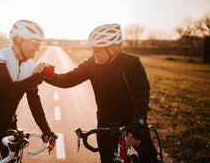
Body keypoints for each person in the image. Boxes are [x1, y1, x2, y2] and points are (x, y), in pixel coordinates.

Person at [42, 23, 159, 162]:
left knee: (149, 158)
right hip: (106, 121)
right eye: (92, 48)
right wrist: (44, 74)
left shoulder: (132, 63)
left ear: (113, 48)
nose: (93, 53)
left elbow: (142, 96)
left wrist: (138, 122)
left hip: (132, 119)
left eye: (97, 49)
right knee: (106, 159)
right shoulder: (93, 64)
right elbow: (67, 80)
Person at [0, 20, 56, 163]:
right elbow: (7, 89)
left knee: (13, 161)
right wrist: (36, 78)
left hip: (8, 123)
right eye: (35, 43)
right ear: (18, 40)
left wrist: (46, 130)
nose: (38, 48)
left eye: (40, 44)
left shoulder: (30, 67)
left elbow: (34, 101)